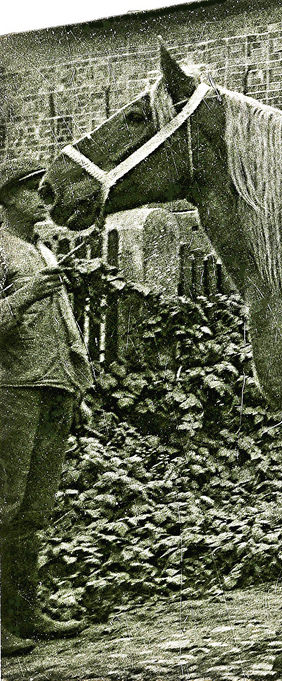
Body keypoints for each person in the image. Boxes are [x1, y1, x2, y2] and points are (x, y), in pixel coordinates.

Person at [0, 158, 93, 656]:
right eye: (32, 190)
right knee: (4, 506)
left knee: (34, 512)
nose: (43, 196)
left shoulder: (40, 249)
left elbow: (68, 330)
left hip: (54, 390)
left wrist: (79, 386)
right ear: (7, 197)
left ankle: (25, 612)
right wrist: (23, 296)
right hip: (11, 389)